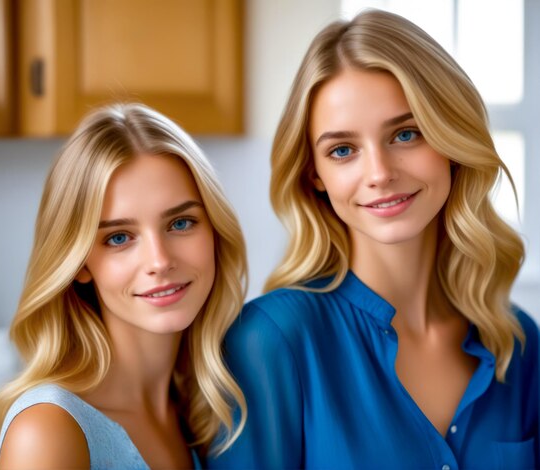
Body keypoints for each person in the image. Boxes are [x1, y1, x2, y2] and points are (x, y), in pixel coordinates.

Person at [208, 9, 539, 470]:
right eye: (343, 150)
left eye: (406, 134)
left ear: (451, 142)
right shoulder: (271, 341)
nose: (380, 174)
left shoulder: (517, 343)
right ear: (314, 173)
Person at [0, 103, 248, 469]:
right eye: (119, 238)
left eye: (180, 223)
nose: (159, 261)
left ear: (214, 231)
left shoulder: (200, 410)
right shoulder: (48, 430)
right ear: (80, 264)